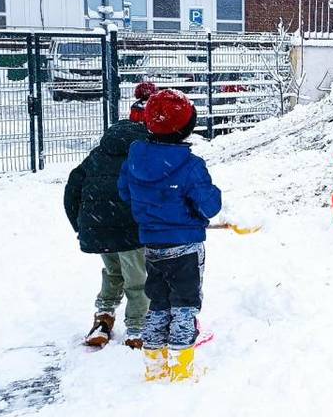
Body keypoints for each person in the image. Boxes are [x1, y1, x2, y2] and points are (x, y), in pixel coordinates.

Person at [118, 89, 222, 382]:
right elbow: (209, 206)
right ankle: (182, 368)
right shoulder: (190, 165)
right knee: (185, 306)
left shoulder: (134, 160)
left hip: (152, 246)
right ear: (187, 128)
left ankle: (154, 367)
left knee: (159, 303)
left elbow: (125, 193)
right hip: (185, 247)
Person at [64, 115, 150, 350]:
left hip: (99, 226)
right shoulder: (141, 156)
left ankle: (103, 317)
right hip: (130, 230)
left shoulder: (96, 155)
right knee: (137, 279)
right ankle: (137, 328)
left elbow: (72, 188)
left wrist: (80, 224)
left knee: (113, 271)